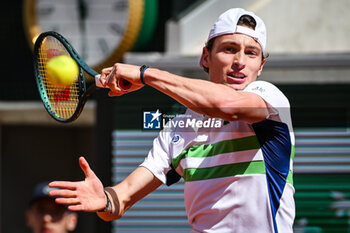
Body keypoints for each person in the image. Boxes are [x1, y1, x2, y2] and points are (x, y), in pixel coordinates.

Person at [49, 8, 295, 233]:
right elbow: (121, 199)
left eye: (251, 53)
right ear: (205, 58)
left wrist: (146, 74)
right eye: (229, 49)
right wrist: (104, 200)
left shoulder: (270, 99)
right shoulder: (179, 129)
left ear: (261, 66)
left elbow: (227, 105)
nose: (240, 61)